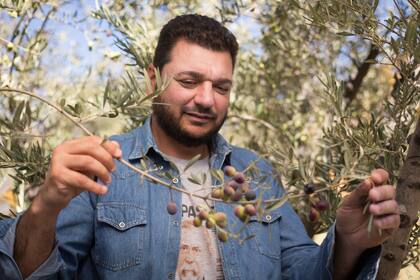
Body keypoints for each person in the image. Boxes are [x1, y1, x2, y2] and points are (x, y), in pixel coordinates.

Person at [0, 14, 399, 279]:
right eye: (189, 81)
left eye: (221, 86)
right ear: (152, 79)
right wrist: (47, 205)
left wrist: (346, 241)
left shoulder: (256, 174)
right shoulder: (105, 165)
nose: (207, 99)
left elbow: (300, 272)